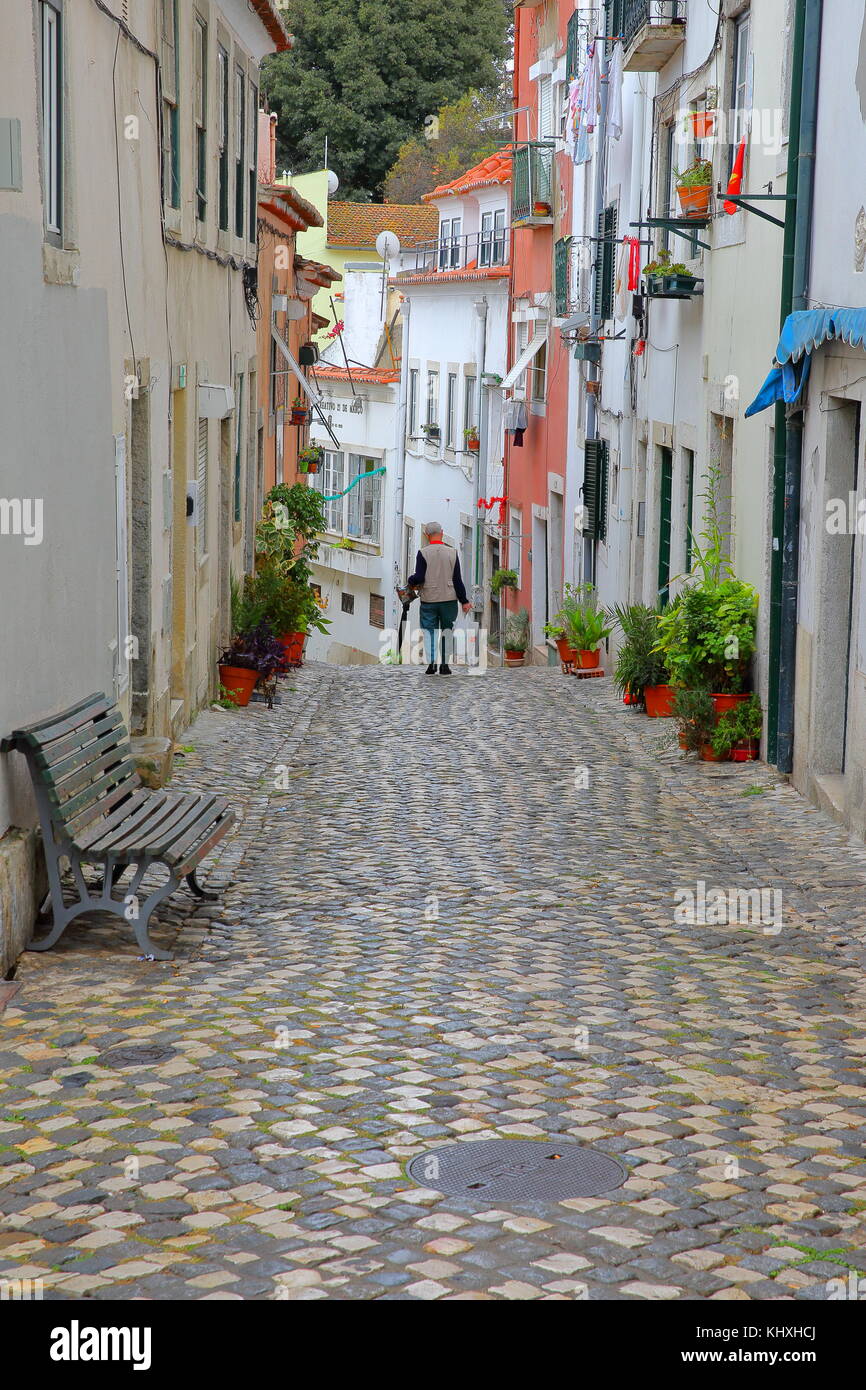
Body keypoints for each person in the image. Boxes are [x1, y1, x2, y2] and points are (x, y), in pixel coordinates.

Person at [407, 522, 472, 674]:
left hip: (429, 599)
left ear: (426, 535)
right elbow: (457, 580)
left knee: (430, 631)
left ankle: (432, 664)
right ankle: (445, 665)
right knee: (447, 630)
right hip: (449, 599)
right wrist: (464, 601)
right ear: (441, 533)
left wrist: (411, 581)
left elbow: (419, 577)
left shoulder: (423, 553)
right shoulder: (452, 553)